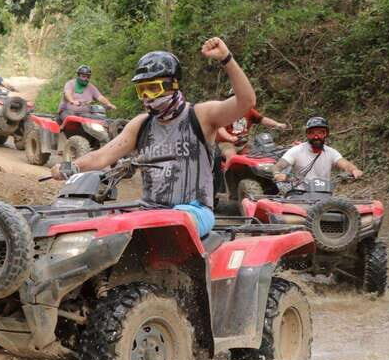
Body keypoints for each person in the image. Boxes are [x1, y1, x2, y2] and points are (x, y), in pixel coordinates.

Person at [50, 37, 256, 237]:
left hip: (194, 211)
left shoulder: (201, 116)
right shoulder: (141, 125)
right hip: (149, 210)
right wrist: (71, 166)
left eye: (153, 88)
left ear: (173, 84)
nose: (147, 96)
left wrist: (226, 59)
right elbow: (101, 156)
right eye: (142, 90)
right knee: (100, 230)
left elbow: (246, 101)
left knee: (163, 226)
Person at [273, 116, 363, 184]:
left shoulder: (331, 152)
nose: (316, 137)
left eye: (320, 133)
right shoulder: (296, 150)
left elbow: (345, 164)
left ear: (325, 134)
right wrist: (277, 174)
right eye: (312, 133)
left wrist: (354, 170)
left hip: (324, 194)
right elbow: (277, 166)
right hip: (299, 194)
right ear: (307, 135)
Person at [216, 107, 289, 157]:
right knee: (231, 155)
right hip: (225, 143)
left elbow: (262, 119)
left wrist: (277, 124)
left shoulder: (249, 110)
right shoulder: (225, 112)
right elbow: (220, 128)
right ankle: (226, 173)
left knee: (257, 154)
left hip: (243, 143)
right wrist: (230, 138)